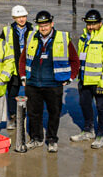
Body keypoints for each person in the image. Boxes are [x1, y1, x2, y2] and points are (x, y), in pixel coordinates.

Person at [23, 11, 78, 152]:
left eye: (46, 25)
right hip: (33, 83)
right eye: (41, 25)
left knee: (54, 113)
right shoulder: (31, 37)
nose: (43, 28)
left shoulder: (63, 38)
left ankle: (52, 139)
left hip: (54, 84)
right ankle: (36, 139)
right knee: (34, 113)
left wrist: (70, 77)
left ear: (52, 24)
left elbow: (75, 60)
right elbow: (23, 59)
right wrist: (23, 76)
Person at [72, 9, 103, 149]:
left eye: (93, 24)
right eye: (88, 24)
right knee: (85, 104)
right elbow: (80, 57)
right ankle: (88, 131)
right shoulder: (83, 38)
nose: (90, 27)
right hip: (85, 80)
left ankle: (101, 134)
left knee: (101, 107)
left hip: (99, 81)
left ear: (100, 23)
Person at [6, 5, 33, 107]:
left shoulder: (33, 30)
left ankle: (30, 114)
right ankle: (13, 115)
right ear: (14, 18)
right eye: (19, 17)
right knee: (12, 94)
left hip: (29, 68)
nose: (21, 19)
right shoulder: (7, 31)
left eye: (23, 16)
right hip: (13, 68)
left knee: (31, 94)